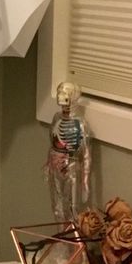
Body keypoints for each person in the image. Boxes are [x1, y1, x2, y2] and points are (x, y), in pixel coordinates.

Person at [46, 81, 91, 222]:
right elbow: (52, 143)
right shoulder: (56, 118)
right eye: (60, 92)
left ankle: (73, 241)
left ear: (73, 97)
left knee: (73, 207)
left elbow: (86, 153)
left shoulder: (80, 123)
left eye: (65, 93)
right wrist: (48, 164)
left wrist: (85, 180)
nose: (61, 97)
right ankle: (61, 239)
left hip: (71, 168)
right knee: (57, 206)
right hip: (55, 166)